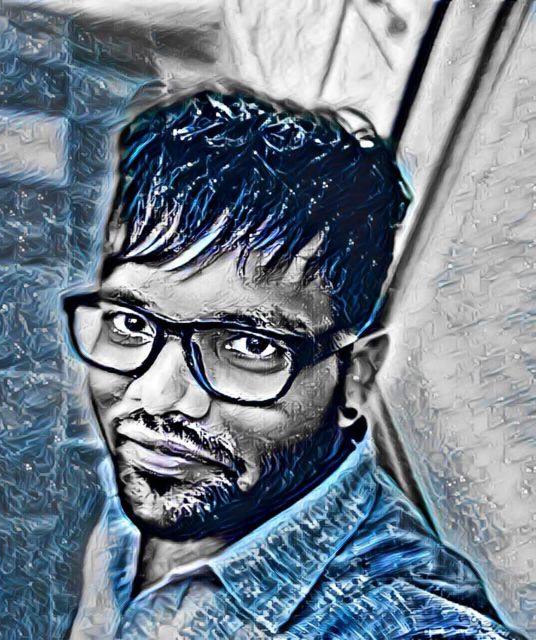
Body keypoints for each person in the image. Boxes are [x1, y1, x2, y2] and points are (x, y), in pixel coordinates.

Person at [65, 91, 520, 639]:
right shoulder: (170, 466)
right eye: (132, 323)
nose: (157, 396)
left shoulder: (398, 619)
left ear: (355, 378)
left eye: (250, 345)